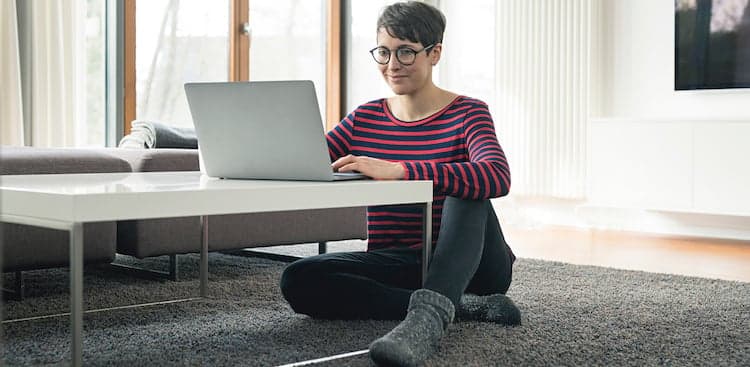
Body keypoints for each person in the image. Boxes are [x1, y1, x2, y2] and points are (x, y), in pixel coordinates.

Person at [279, 2, 520, 365]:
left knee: (467, 190)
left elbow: (497, 175)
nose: (392, 65)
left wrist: (402, 169)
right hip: (401, 262)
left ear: (434, 53)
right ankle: (461, 306)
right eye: (384, 52)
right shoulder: (365, 118)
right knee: (299, 279)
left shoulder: (469, 112)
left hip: (476, 266)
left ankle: (428, 320)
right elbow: (307, 161)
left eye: (406, 52)